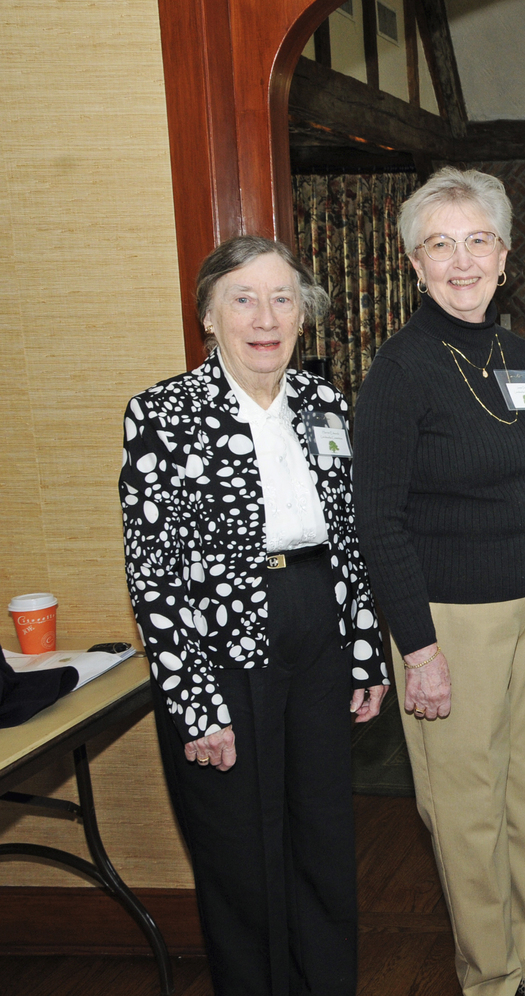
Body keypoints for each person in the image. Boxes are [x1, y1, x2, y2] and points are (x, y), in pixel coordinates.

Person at [120, 235, 389, 996]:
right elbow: (155, 577)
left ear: (304, 315)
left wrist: (366, 651)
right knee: (240, 849)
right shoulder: (164, 414)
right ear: (209, 315)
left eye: (282, 298)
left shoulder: (326, 403)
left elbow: (352, 537)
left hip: (319, 622)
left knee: (324, 835)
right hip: (220, 636)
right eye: (243, 298)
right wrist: (195, 704)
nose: (265, 316)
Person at [352, 168, 525, 996]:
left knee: (523, 793)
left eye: (476, 240)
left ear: (505, 255)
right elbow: (376, 519)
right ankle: (489, 980)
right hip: (451, 617)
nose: (460, 260)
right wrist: (420, 649)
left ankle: (518, 955)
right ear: (413, 264)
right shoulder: (402, 368)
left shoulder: (519, 354)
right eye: (438, 244)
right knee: (465, 805)